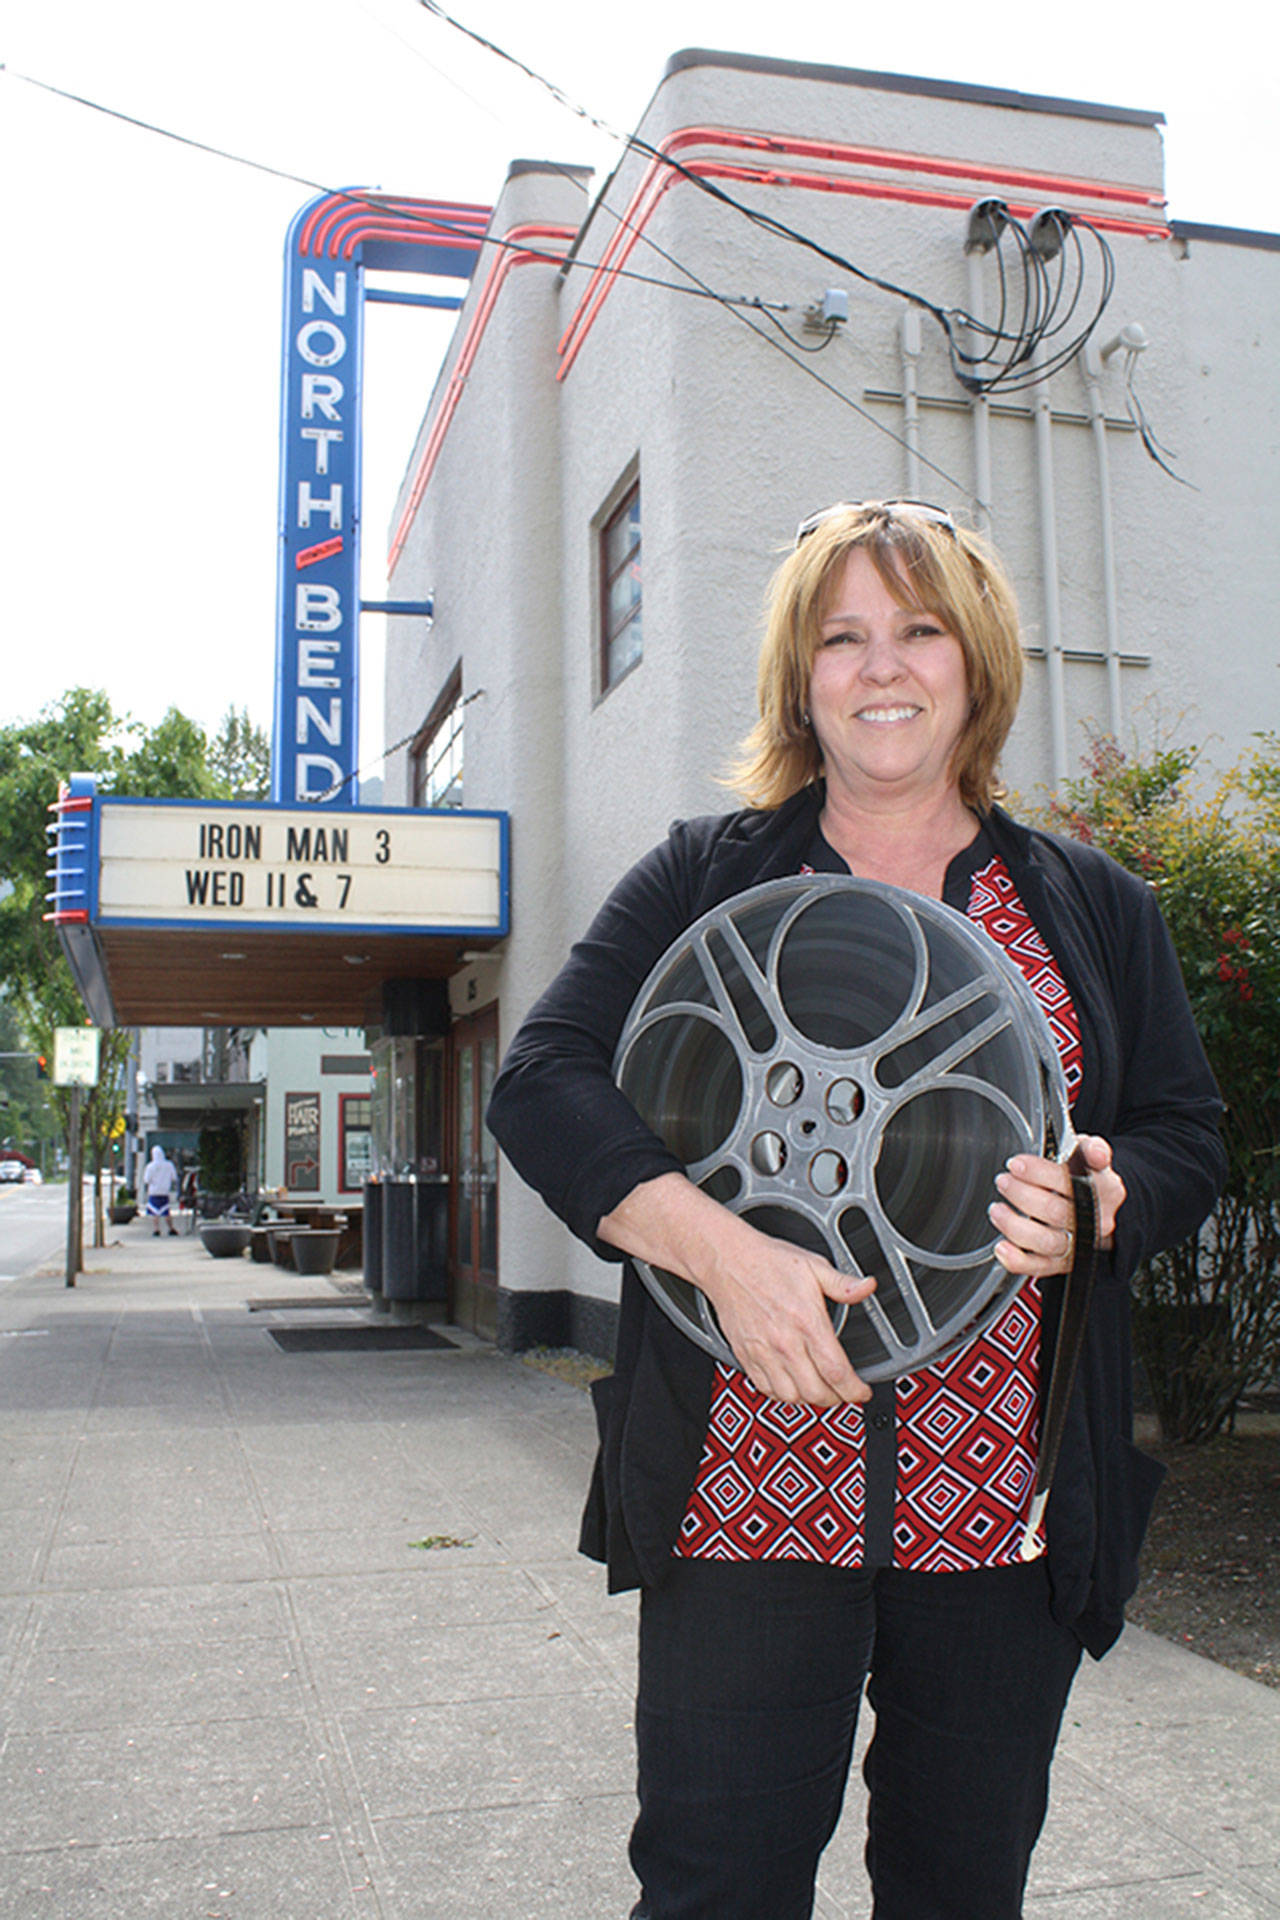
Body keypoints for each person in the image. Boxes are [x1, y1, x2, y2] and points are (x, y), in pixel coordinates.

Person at [486, 501, 1226, 1920]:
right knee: (715, 1892)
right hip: (744, 1497)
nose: (881, 668)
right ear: (800, 676)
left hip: (998, 1515)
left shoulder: (1093, 907)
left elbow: (1187, 1134)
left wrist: (1109, 1198)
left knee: (960, 1893)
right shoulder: (708, 875)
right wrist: (722, 1257)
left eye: (919, 629)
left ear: (976, 662)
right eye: (842, 638)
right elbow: (543, 1079)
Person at [141, 1145, 179, 1237]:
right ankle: (171, 1228)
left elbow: (146, 1180)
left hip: (154, 1191)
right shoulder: (169, 1165)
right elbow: (174, 1177)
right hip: (164, 1191)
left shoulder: (150, 1166)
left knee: (155, 1211)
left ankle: (156, 1229)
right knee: (166, 1210)